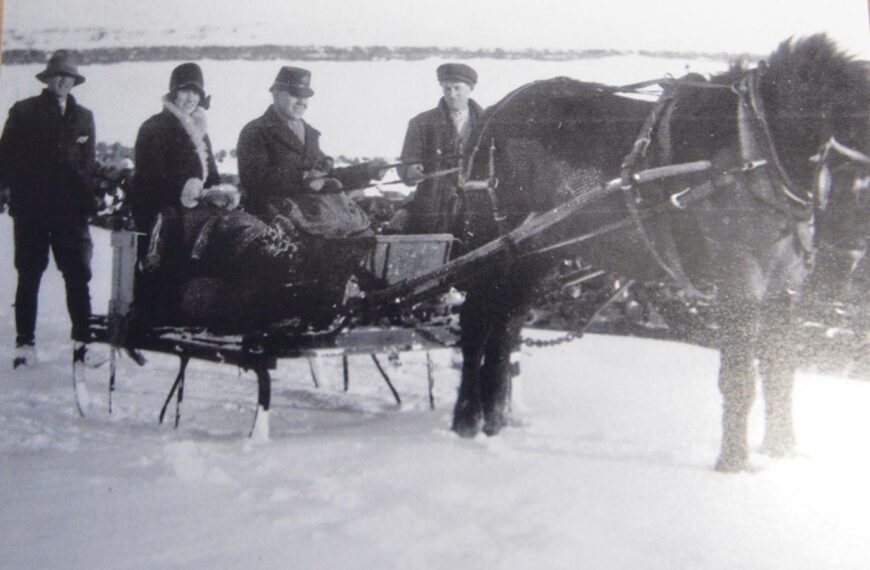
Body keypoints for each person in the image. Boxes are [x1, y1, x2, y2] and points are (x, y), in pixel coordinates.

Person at [0, 50, 101, 368]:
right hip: (32, 209)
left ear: (74, 82)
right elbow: (5, 158)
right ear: (47, 79)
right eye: (57, 75)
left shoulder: (84, 117)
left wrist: (88, 202)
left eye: (68, 77)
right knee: (29, 274)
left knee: (77, 276)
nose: (62, 81)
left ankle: (83, 343)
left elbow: (87, 166)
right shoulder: (24, 111)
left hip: (70, 213)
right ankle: (25, 345)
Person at [236, 66, 387, 237]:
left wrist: (367, 171)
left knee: (364, 233)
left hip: (312, 211)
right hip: (275, 212)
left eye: (305, 97)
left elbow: (327, 175)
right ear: (276, 93)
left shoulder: (309, 134)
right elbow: (254, 179)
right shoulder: (256, 131)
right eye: (294, 95)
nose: (302, 102)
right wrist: (303, 180)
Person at [395, 63, 483, 235]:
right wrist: (410, 171)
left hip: (476, 207)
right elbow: (407, 161)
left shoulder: (486, 123)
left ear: (470, 88)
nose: (452, 94)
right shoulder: (421, 123)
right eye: (447, 88)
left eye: (457, 88)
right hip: (433, 208)